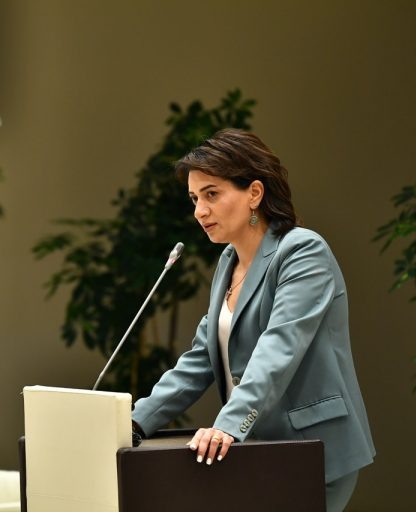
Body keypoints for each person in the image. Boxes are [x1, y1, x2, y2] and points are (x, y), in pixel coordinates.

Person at [131, 128, 375, 512]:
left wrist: (228, 425)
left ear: (255, 193)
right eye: (194, 198)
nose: (199, 211)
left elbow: (278, 349)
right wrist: (135, 422)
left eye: (212, 194)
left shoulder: (302, 251)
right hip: (258, 452)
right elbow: (199, 360)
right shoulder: (228, 262)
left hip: (311, 452)